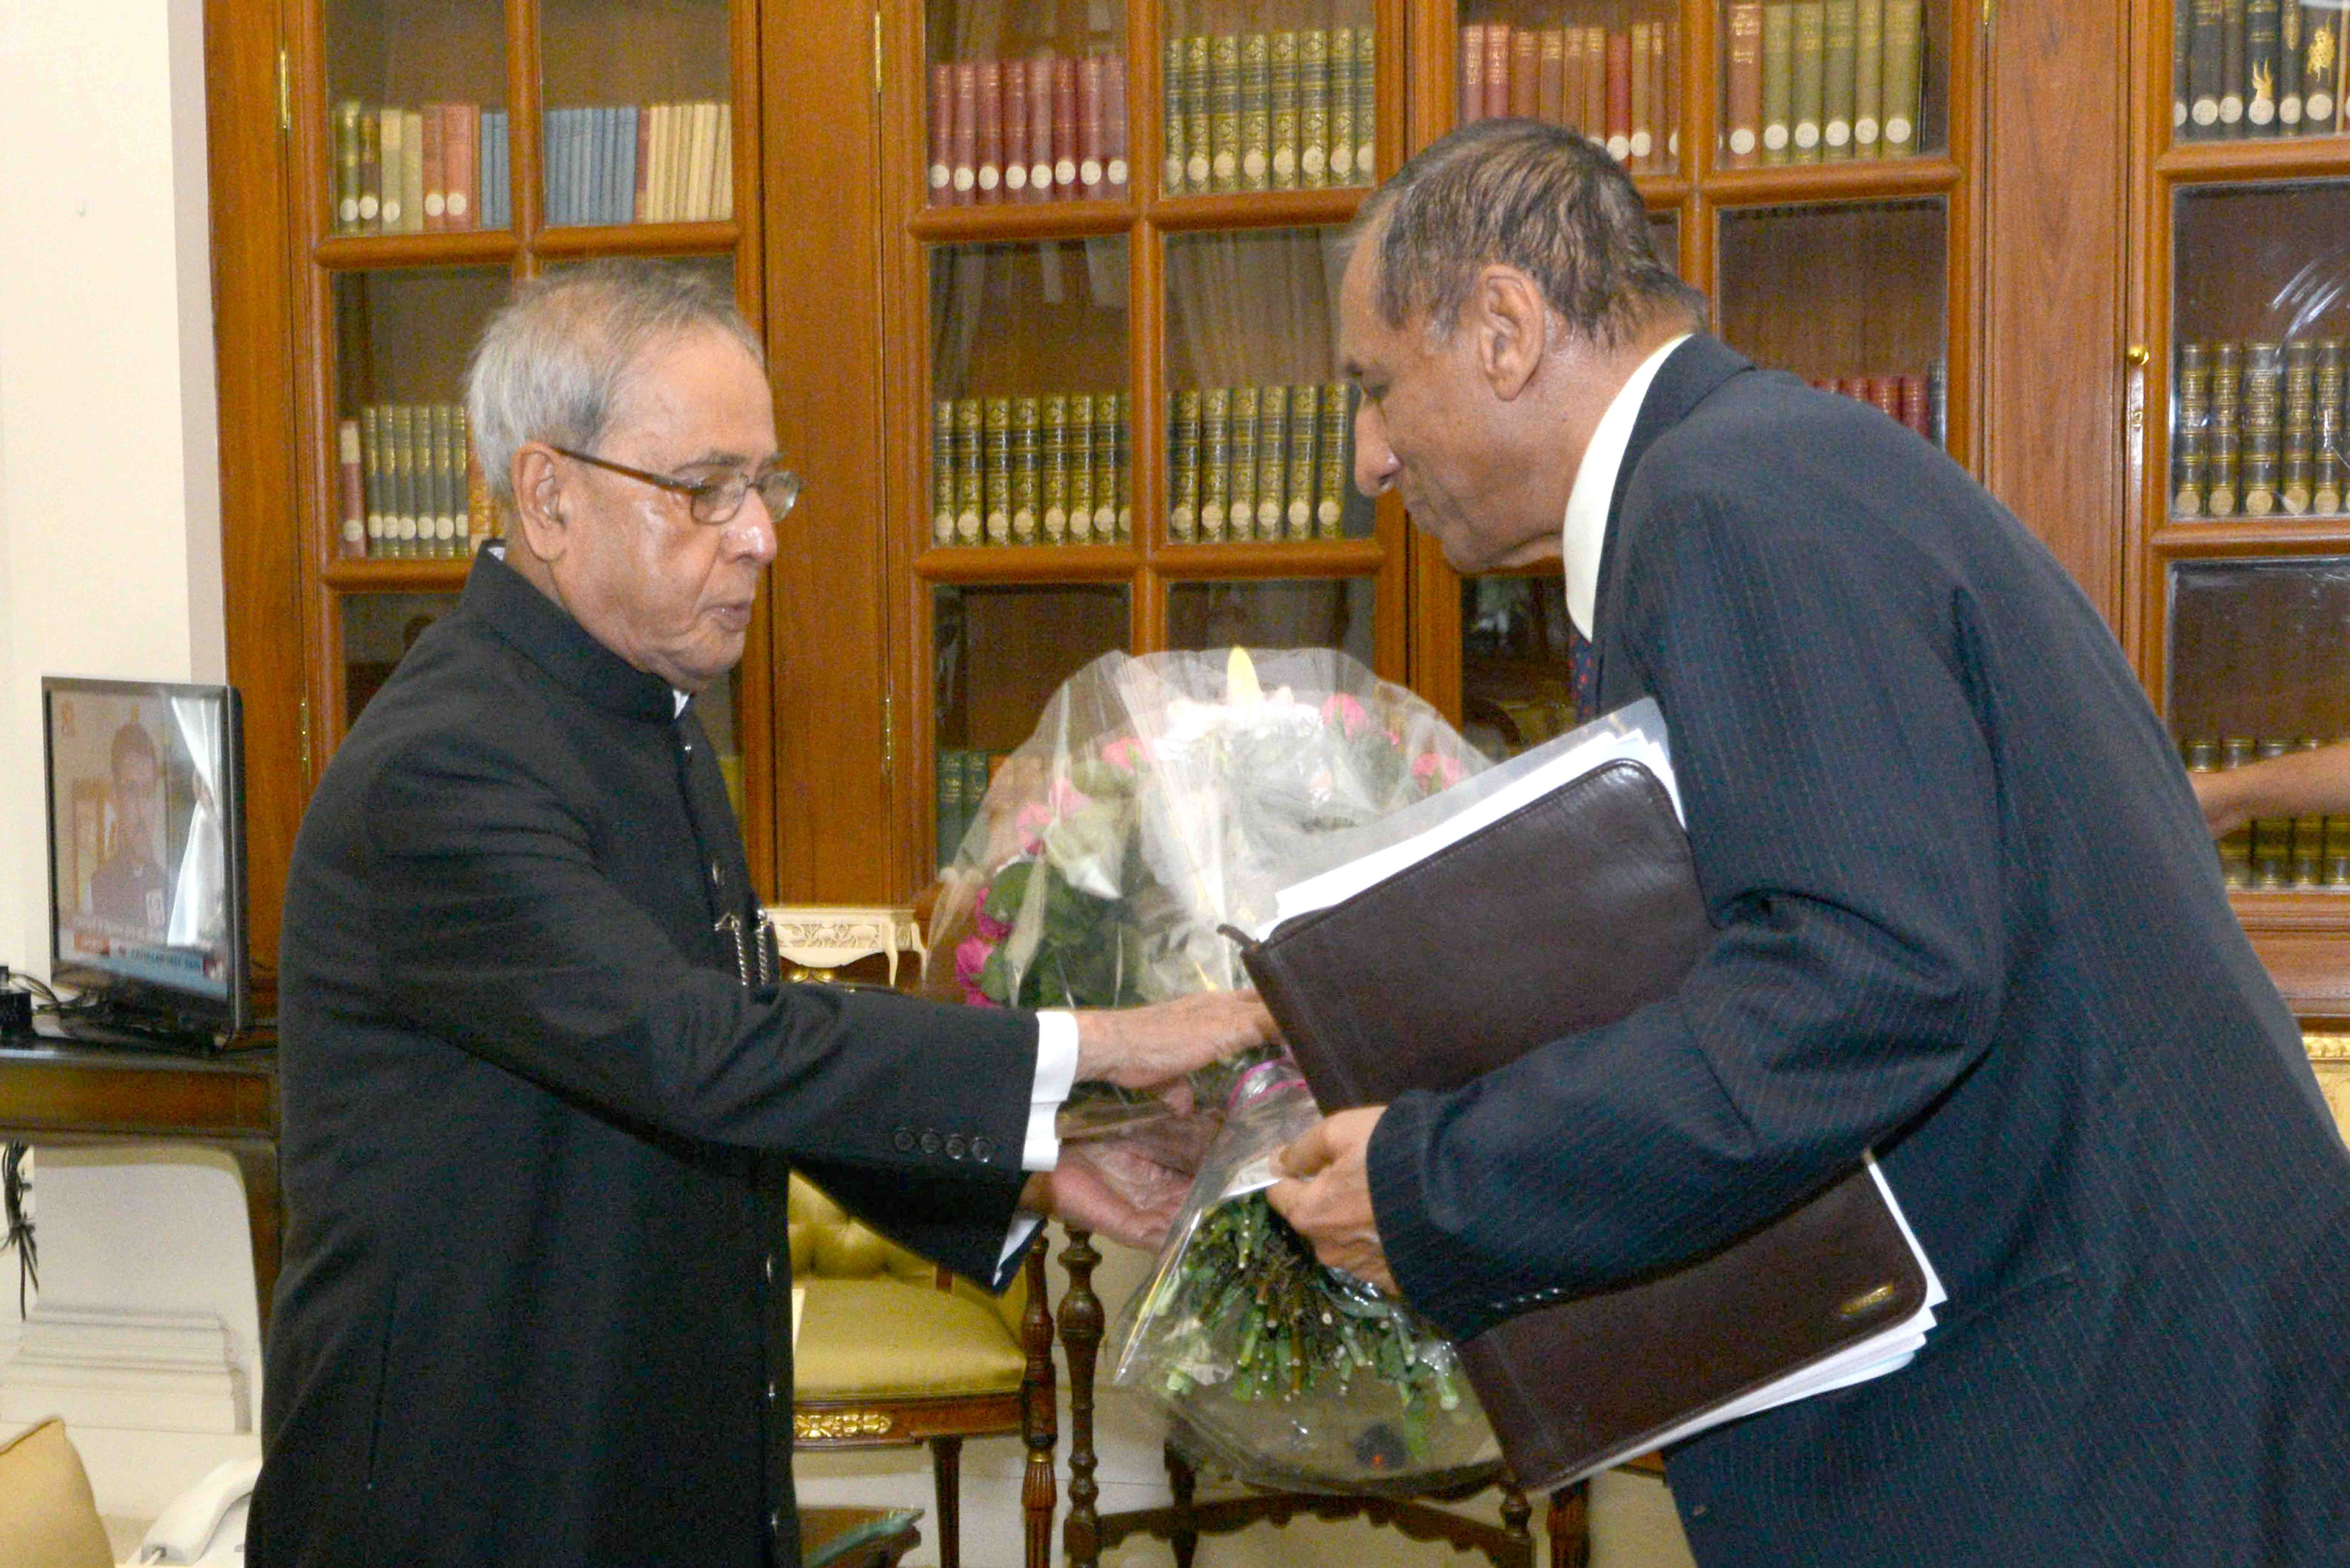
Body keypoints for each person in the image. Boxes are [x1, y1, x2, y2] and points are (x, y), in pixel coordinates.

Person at [1266, 120, 2350, 1564]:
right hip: (2117, 1364)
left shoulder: (1725, 510)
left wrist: (1436, 1182)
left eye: (1375, 387)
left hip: (2085, 1416)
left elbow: (1866, 974)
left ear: (1506, 329)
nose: (1369, 456)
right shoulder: (1764, 467)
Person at [250, 261, 1274, 1567]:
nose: (760, 536)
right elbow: (701, 1049)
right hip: (479, 1488)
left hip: (645, 1465)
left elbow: (747, 1047)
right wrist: (1109, 1043)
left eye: (766, 485)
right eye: (705, 491)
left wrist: (1033, 1173)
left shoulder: (640, 711)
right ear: (550, 494)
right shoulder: (446, 765)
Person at [89, 718, 168, 937]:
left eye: (149, 792)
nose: (142, 809)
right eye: (131, 791)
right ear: (115, 798)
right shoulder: (98, 886)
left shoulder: (172, 886)